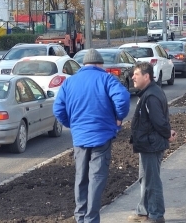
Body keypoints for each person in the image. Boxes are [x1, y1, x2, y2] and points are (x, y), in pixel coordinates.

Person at [54, 49, 131, 223]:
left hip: (80, 138)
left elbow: (58, 109)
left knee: (80, 177)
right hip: (102, 136)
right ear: (99, 64)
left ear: (85, 64)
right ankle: (91, 218)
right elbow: (123, 98)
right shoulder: (106, 79)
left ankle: (80, 216)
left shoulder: (69, 83)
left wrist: (72, 124)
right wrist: (118, 118)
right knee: (96, 178)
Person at [128, 62, 177, 223]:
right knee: (145, 178)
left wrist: (167, 134)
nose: (133, 77)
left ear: (146, 76)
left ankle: (156, 215)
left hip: (151, 144)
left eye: (136, 74)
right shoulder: (149, 93)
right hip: (148, 143)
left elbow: (159, 121)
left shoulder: (151, 96)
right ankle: (144, 211)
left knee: (152, 180)